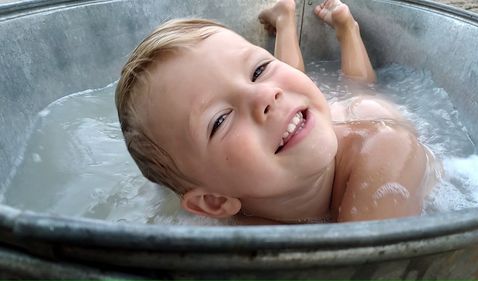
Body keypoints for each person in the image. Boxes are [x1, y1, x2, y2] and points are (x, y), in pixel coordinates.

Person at [115, 0, 438, 224]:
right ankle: (283, 22)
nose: (264, 95)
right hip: (296, 123)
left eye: (258, 70)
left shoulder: (385, 153)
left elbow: (373, 269)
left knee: (360, 89)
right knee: (287, 93)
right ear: (214, 202)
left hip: (367, 115)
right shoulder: (238, 226)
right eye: (220, 119)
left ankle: (345, 28)